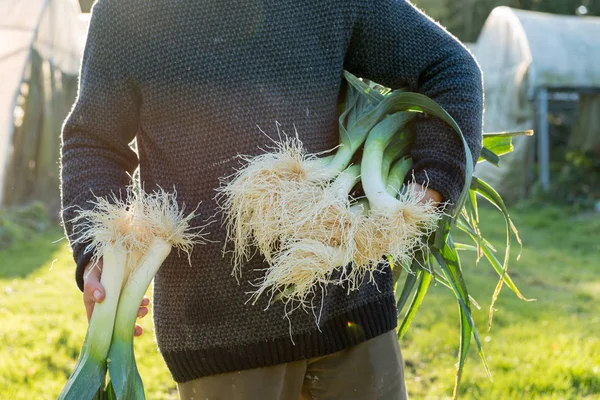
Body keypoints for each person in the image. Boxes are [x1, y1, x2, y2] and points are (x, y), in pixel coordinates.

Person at [60, 0, 483, 398]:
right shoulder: (128, 12)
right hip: (221, 341)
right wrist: (98, 251)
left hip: (353, 312)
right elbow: (93, 141)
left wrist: (429, 189)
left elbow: (449, 67)